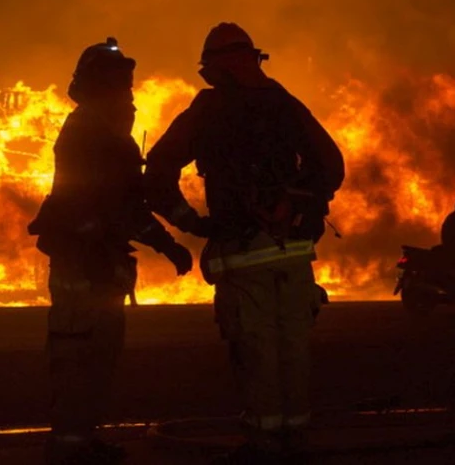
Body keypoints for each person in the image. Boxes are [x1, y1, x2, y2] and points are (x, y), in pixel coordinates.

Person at [144, 23, 344, 464]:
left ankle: (263, 443)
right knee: (292, 345)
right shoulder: (286, 105)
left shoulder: (210, 110)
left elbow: (157, 174)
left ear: (221, 65)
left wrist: (193, 224)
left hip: (241, 254)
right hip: (294, 254)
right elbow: (331, 166)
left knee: (256, 350)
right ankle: (294, 438)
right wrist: (299, 205)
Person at [28, 37, 193, 465]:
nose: (131, 95)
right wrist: (169, 242)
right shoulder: (93, 134)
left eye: (130, 85)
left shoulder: (100, 132)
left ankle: (82, 439)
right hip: (82, 264)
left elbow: (128, 204)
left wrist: (168, 237)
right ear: (102, 86)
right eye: (123, 85)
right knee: (77, 359)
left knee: (97, 358)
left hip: (97, 264)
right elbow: (123, 206)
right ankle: (68, 447)